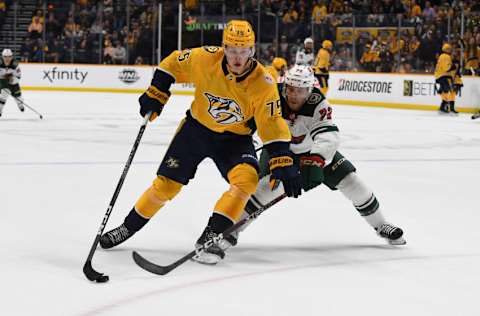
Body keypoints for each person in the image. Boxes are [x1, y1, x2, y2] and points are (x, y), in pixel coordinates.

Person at [99, 20, 303, 264]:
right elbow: (172, 63)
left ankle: (211, 235)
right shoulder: (205, 58)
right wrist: (157, 91)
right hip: (195, 131)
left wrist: (282, 156)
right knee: (166, 186)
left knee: (247, 180)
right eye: (232, 51)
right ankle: (127, 227)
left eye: (243, 51)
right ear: (224, 48)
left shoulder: (264, 82)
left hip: (235, 139)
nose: (238, 58)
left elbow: (271, 121)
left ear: (252, 50)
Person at [212, 65, 406, 262]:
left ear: (309, 90)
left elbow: (327, 135)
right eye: (291, 89)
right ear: (285, 86)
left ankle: (381, 225)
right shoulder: (272, 96)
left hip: (311, 153)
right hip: (280, 151)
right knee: (263, 190)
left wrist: (316, 160)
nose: (294, 95)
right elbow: (248, 123)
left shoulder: (318, 104)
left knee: (353, 183)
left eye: (300, 90)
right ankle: (230, 231)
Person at [0, 49, 25, 117]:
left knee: (18, 96)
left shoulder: (15, 65)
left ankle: (20, 104)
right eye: (5, 56)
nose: (7, 58)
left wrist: (12, 79)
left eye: (9, 56)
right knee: (4, 94)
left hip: (13, 82)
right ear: (2, 56)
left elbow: (18, 76)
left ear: (12, 57)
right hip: (2, 81)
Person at [435, 43, 458, 114]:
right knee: (447, 90)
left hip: (439, 75)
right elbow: (446, 68)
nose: (450, 50)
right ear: (447, 49)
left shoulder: (442, 56)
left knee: (445, 90)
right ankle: (444, 106)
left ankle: (443, 106)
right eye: (449, 49)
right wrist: (453, 67)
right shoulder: (446, 56)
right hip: (443, 76)